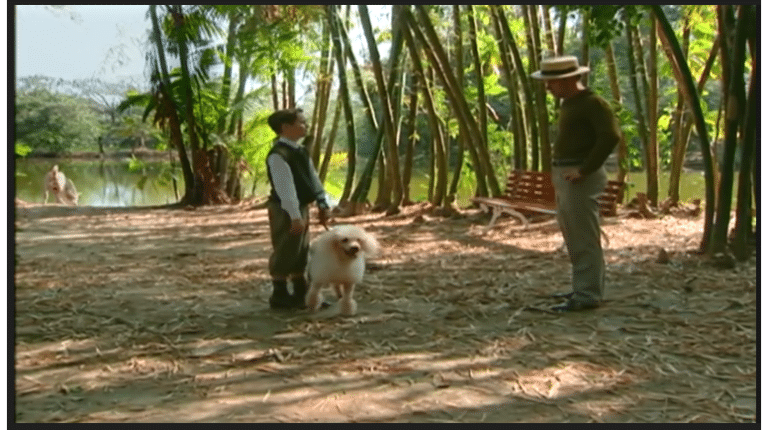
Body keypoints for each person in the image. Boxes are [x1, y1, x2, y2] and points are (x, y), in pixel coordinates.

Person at [530, 56, 621, 312]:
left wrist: (585, 169)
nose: (548, 88)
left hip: (580, 177)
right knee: (573, 235)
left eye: (552, 82)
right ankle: (584, 287)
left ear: (570, 79)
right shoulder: (569, 104)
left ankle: (588, 295)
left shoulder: (593, 104)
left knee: (584, 237)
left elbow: (611, 136)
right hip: (566, 174)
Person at [265, 108, 331, 310]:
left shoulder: (299, 151)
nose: (305, 126)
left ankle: (302, 292)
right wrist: (294, 216)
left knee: (301, 247)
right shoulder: (278, 155)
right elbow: (286, 190)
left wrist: (322, 202)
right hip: (285, 209)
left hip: (300, 207)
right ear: (285, 128)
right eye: (301, 123)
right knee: (286, 247)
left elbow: (312, 178)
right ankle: (280, 294)